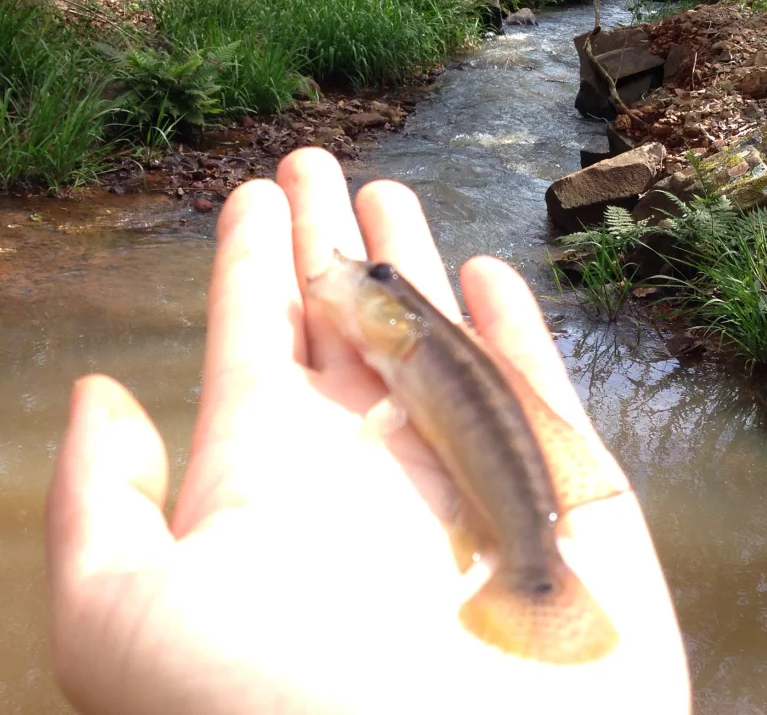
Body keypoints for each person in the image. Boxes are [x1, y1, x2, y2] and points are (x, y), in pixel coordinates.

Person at [46, 147, 690, 714]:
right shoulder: (404, 347)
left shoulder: (410, 344)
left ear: (403, 318)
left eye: (382, 279)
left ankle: (532, 580)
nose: (368, 277)